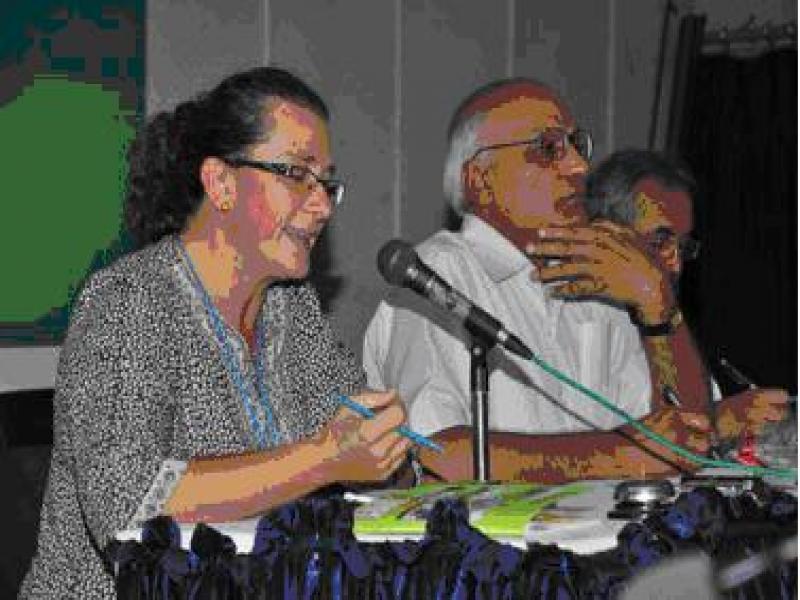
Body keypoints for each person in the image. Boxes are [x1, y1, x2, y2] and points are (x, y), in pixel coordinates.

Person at [21, 67, 411, 599]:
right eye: (296, 174)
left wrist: (389, 451)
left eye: (326, 182)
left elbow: (358, 446)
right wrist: (325, 456)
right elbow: (127, 502)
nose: (322, 205)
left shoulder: (292, 309)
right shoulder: (130, 301)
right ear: (221, 183)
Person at [363, 78, 714, 483]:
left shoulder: (597, 279)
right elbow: (438, 455)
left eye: (577, 145)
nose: (579, 167)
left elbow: (687, 438)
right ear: (480, 179)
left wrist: (657, 302)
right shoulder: (436, 275)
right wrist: (621, 455)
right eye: (549, 148)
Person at [584, 148, 788, 443]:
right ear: (606, 234)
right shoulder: (568, 312)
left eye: (683, 247)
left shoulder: (663, 315)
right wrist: (720, 422)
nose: (676, 265)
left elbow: (695, 416)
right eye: (660, 241)